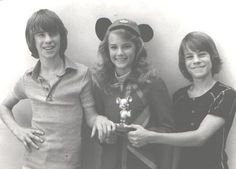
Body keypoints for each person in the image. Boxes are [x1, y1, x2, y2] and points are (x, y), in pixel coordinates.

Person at [0, 9, 113, 169]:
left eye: (53, 33)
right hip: (32, 163)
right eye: (41, 35)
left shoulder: (81, 74)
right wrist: (18, 130)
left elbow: (91, 117)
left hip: (68, 164)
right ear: (32, 40)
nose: (48, 40)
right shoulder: (28, 78)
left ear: (61, 37)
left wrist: (100, 120)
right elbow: (4, 106)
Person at [128, 31, 236, 169]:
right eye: (189, 57)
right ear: (184, 63)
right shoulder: (179, 96)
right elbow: (175, 142)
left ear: (212, 57)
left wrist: (150, 136)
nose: (196, 61)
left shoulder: (225, 94)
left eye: (202, 54)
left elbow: (200, 137)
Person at [93, 18, 174, 169]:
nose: (120, 53)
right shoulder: (101, 84)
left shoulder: (153, 83)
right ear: (107, 50)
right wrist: (104, 135)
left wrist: (148, 135)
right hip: (110, 163)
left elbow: (168, 129)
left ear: (137, 48)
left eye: (127, 46)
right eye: (114, 47)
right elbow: (96, 123)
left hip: (144, 163)